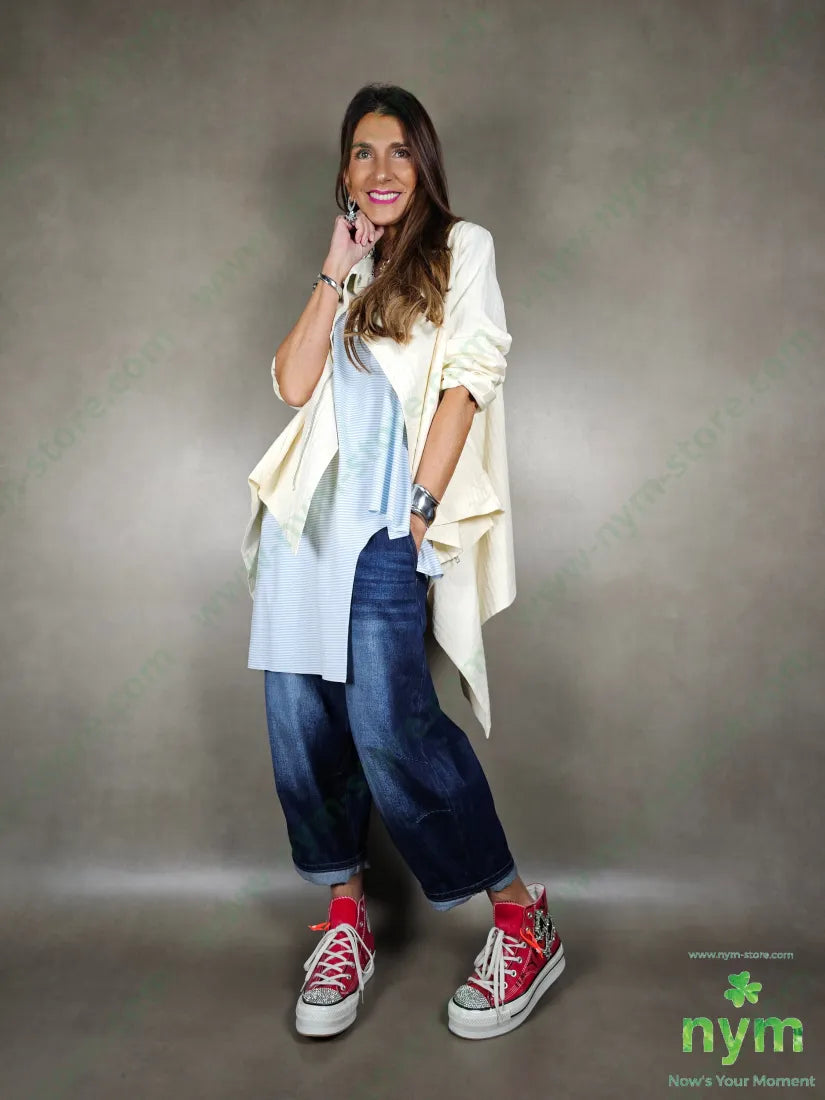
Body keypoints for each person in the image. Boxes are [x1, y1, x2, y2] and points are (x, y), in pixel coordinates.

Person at [242, 83, 565, 1041]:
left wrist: (419, 512)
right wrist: (333, 267)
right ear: (344, 172)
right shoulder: (351, 270)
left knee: (392, 726)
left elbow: (468, 379)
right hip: (305, 533)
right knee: (301, 728)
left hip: (386, 528)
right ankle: (344, 922)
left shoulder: (463, 250)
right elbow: (293, 384)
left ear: (423, 162)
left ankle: (521, 920)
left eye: (398, 151)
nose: (380, 170)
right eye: (361, 152)